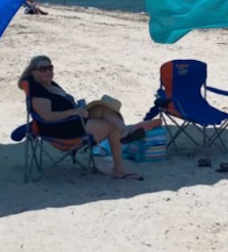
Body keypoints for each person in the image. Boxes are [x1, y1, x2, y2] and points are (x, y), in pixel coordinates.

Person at [20, 55, 149, 181]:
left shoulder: (51, 84)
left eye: (50, 67)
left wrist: (79, 109)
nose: (48, 71)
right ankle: (119, 170)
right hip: (62, 129)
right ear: (33, 73)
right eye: (43, 69)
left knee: (104, 108)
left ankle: (126, 130)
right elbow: (47, 117)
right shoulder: (38, 90)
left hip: (73, 120)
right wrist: (73, 112)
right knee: (112, 127)